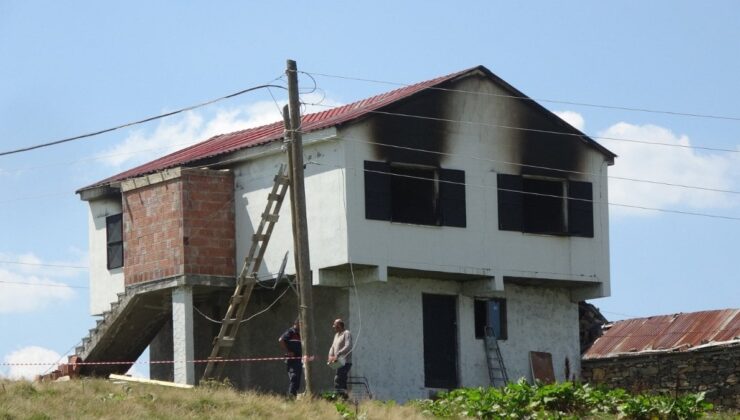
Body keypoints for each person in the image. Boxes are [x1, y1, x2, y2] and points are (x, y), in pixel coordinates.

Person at [327, 318, 352, 398]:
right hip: (339, 361)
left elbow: (348, 346)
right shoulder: (336, 335)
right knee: (342, 379)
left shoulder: (346, 333)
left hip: (345, 361)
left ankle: (338, 397)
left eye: (335, 326)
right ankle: (344, 398)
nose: (334, 327)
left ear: (340, 326)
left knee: (338, 378)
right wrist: (330, 355)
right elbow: (332, 347)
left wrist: (339, 353)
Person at [278, 318, 302, 397]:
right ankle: (291, 397)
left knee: (297, 379)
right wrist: (288, 352)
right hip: (291, 360)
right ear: (297, 323)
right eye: (301, 324)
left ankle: (293, 397)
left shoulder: (300, 334)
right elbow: (281, 340)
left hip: (299, 359)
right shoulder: (291, 331)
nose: (302, 326)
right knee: (294, 377)